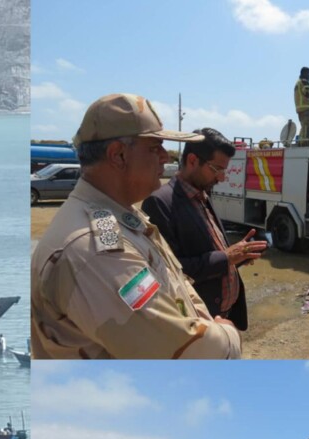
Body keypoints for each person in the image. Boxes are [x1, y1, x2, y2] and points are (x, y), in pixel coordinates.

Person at [31, 93, 242, 359]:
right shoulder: (93, 250)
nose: (166, 157)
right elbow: (190, 352)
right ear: (118, 155)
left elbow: (177, 282)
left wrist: (204, 321)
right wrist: (227, 335)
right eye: (155, 147)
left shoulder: (120, 216)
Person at [143, 128, 267, 330]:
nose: (222, 178)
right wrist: (227, 257)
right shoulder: (160, 203)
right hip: (198, 322)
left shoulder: (202, 195)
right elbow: (171, 272)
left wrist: (239, 256)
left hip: (223, 318)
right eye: (217, 169)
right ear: (192, 161)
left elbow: (210, 252)